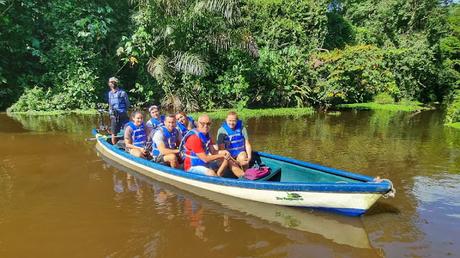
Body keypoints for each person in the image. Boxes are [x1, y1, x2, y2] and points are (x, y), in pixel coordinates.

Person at [217, 111, 252, 176]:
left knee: (244, 159)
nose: (231, 123)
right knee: (232, 164)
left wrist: (249, 158)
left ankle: (247, 174)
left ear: (237, 120)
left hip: (239, 152)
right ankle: (245, 179)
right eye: (229, 120)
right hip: (227, 155)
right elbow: (222, 149)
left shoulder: (242, 128)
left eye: (234, 121)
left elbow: (247, 144)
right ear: (226, 120)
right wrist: (236, 162)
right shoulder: (221, 131)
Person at [107, 77, 130, 144]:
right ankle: (114, 146)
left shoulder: (122, 93)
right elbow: (110, 104)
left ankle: (128, 144)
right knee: (114, 132)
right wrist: (110, 113)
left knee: (127, 130)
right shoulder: (109, 93)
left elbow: (127, 104)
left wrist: (123, 111)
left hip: (123, 114)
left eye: (114, 82)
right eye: (111, 82)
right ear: (109, 84)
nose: (112, 84)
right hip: (114, 115)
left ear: (116, 83)